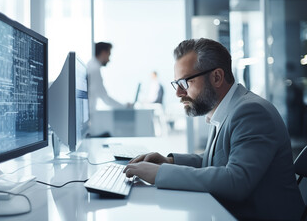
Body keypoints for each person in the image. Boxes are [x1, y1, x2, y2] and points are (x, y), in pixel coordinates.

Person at [123, 38, 305, 220]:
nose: (178, 93)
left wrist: (160, 174)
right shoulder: (226, 108)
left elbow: (236, 181)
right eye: (176, 84)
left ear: (217, 77)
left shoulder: (252, 112)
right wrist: (169, 162)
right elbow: (218, 160)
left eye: (185, 82)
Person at [87, 42, 125, 113]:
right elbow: (105, 98)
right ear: (104, 53)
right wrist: (125, 107)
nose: (109, 60)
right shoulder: (94, 69)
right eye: (109, 55)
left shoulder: (91, 65)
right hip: (90, 115)